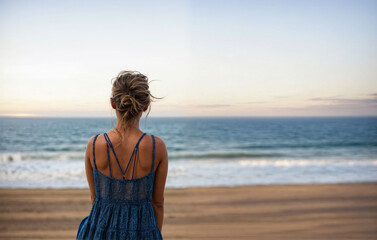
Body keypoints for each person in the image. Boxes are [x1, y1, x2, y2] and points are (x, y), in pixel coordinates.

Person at [76, 71, 168, 239]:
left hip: (99, 231)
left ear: (112, 103)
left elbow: (95, 198)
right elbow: (158, 203)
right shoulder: (157, 147)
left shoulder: (94, 144)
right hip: (142, 232)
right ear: (145, 106)